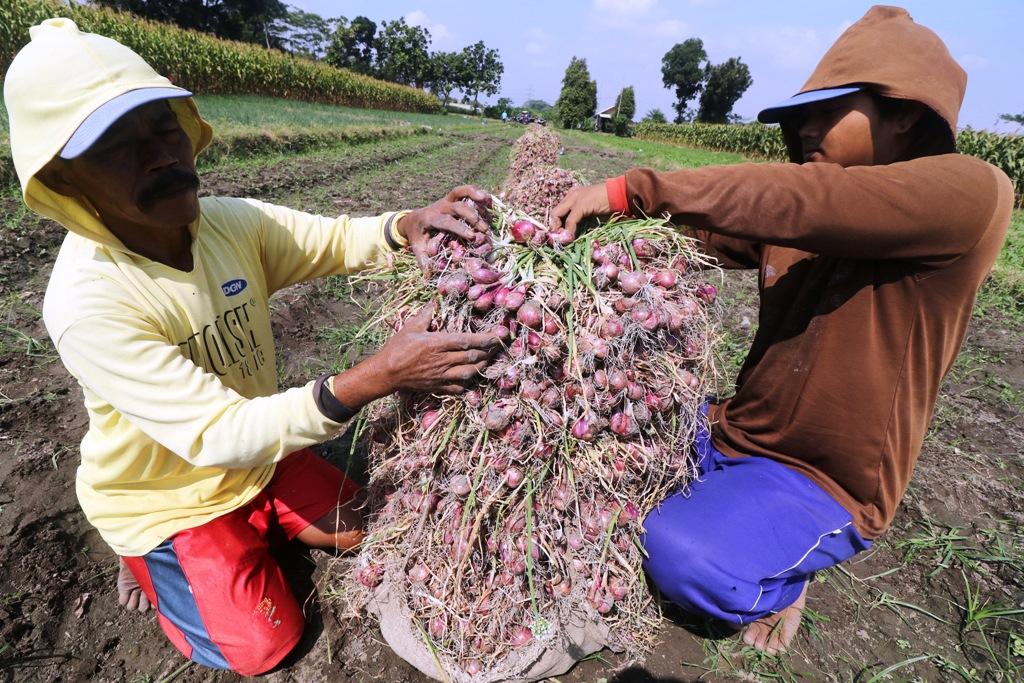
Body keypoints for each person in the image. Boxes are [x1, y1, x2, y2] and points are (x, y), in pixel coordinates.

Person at [4, 19, 499, 676]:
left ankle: (256, 519)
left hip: (257, 458)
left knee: (362, 527)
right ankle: (151, 565)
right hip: (168, 494)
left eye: (162, 125)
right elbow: (216, 433)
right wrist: (375, 376)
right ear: (68, 183)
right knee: (265, 644)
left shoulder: (228, 224)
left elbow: (331, 241)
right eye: (118, 147)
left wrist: (404, 225)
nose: (160, 154)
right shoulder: (88, 301)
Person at [550, 5, 1013, 655]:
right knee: (572, 433)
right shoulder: (803, 207)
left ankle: (785, 575)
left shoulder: (972, 192)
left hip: (821, 483)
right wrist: (605, 238)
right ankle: (724, 502)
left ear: (904, 113)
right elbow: (713, 231)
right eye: (799, 116)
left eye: (828, 111)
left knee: (681, 557)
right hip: (727, 428)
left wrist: (634, 190)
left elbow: (810, 203)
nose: (805, 128)